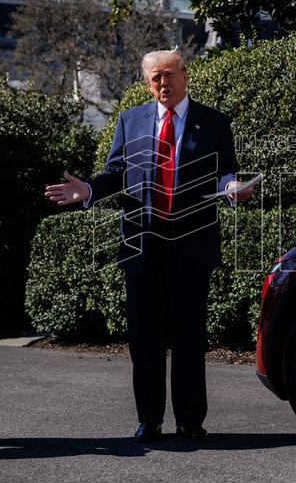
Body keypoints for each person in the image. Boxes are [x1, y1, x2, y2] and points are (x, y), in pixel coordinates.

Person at [46, 49, 251, 443]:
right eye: (155, 78)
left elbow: (225, 169)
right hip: (143, 246)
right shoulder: (130, 120)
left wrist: (230, 188)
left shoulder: (213, 122)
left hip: (191, 245)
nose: (163, 84)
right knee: (145, 339)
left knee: (190, 337)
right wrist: (88, 189)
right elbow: (117, 173)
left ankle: (191, 421)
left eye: (169, 75)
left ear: (185, 75)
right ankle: (149, 420)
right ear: (147, 82)